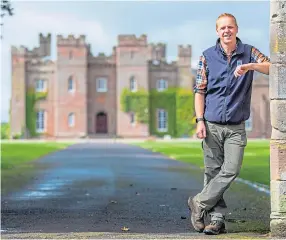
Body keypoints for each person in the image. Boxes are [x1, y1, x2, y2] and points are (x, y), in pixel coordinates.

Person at [188, 13, 271, 235]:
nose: (227, 31)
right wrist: (200, 121)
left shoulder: (249, 52)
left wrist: (250, 66)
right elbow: (200, 91)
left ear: (236, 29)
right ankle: (216, 220)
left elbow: (273, 67)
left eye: (230, 27)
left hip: (235, 126)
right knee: (212, 172)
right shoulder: (207, 56)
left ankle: (199, 203)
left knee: (231, 169)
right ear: (217, 31)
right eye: (222, 28)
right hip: (211, 124)